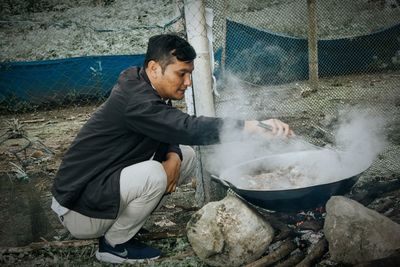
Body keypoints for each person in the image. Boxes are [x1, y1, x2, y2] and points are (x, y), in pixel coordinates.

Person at [51, 33, 293, 264]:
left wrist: (174, 156)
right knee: (154, 175)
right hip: (78, 209)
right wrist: (249, 127)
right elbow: (184, 127)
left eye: (190, 74)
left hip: (98, 187)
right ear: (155, 68)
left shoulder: (142, 85)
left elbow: (166, 128)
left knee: (184, 156)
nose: (187, 82)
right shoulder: (136, 100)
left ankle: (123, 223)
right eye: (182, 74)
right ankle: (114, 246)